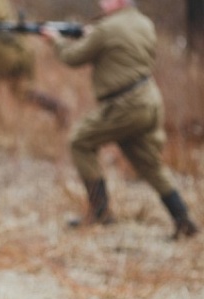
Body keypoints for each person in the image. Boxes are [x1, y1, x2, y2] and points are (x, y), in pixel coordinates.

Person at [41, 0, 199, 239]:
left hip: (124, 104)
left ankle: (100, 212)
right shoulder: (143, 23)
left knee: (80, 141)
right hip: (148, 99)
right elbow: (122, 49)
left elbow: (73, 57)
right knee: (149, 163)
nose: (101, 3)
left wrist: (55, 40)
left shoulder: (107, 28)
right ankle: (183, 219)